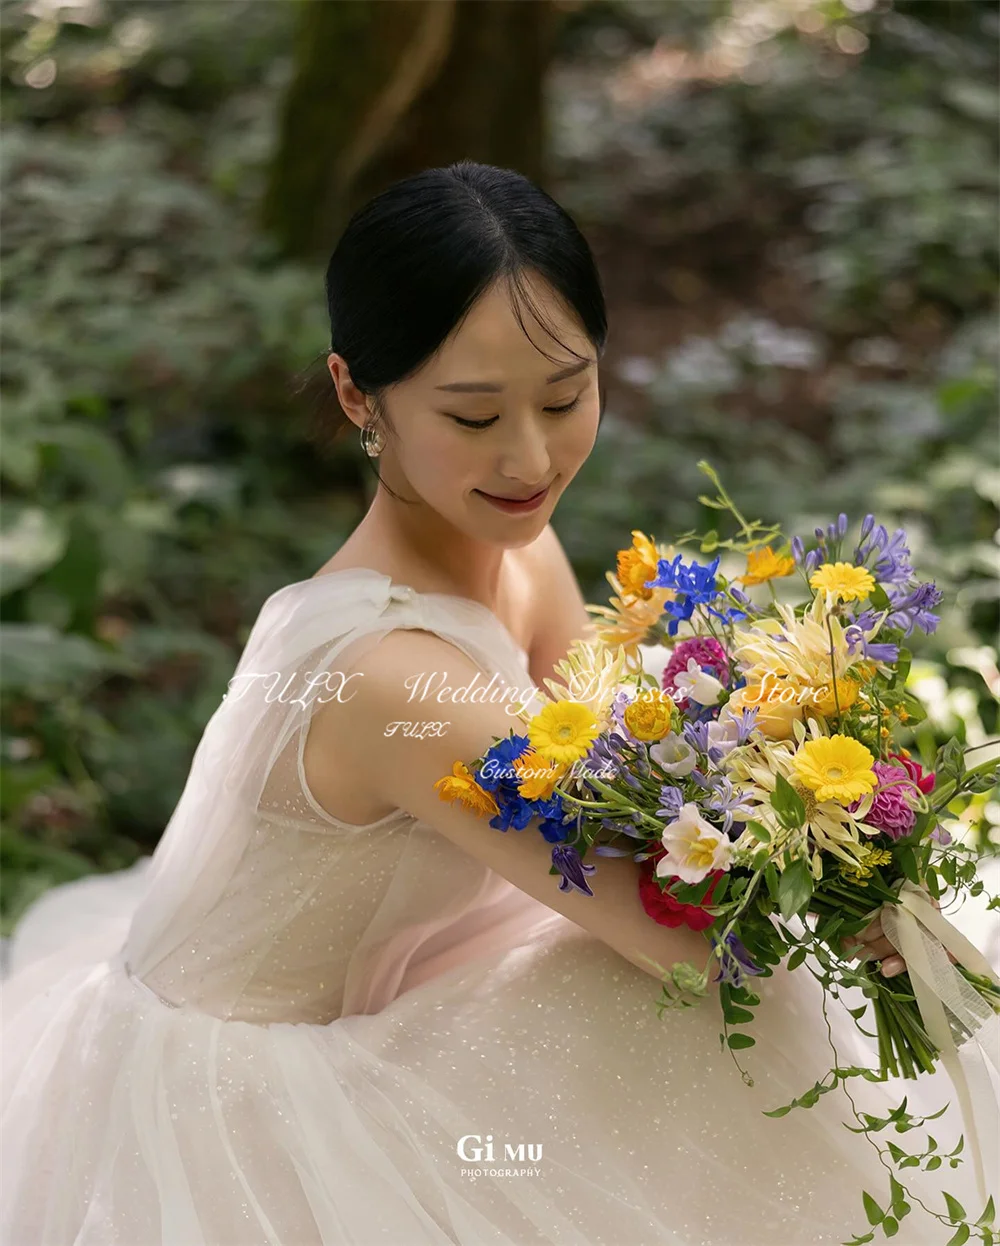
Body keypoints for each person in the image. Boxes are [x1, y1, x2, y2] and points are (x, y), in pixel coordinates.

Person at [2, 160, 995, 1246]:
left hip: (401, 973)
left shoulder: (504, 545)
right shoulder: (391, 679)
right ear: (354, 394)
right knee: (714, 1012)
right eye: (473, 415)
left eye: (565, 397)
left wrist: (801, 790)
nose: (530, 458)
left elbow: (621, 742)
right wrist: (852, 880)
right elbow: (691, 941)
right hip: (241, 1110)